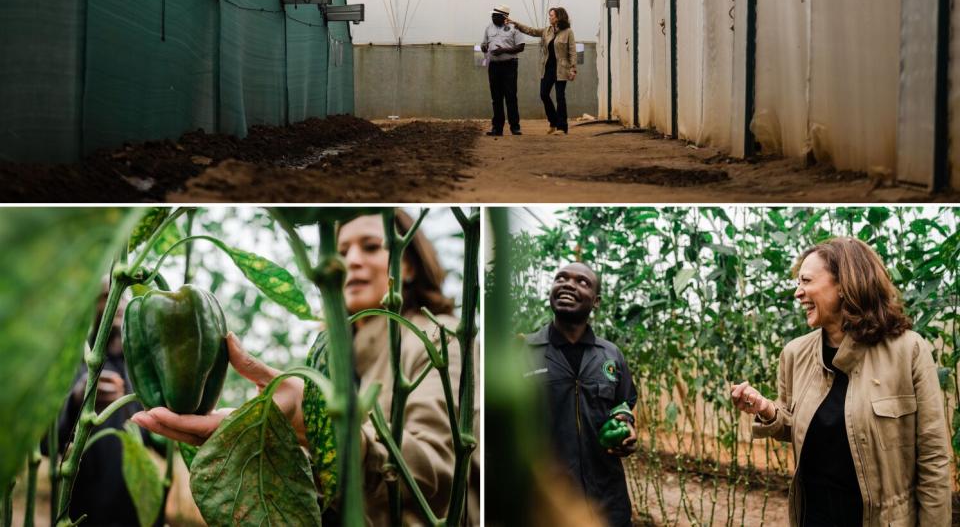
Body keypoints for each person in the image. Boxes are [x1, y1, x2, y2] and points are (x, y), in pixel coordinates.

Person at [132, 211, 478, 527]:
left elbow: (439, 470)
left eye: (371, 247)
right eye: (341, 251)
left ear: (408, 266)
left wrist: (316, 423)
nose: (352, 261)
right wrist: (267, 443)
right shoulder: (328, 358)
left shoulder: (438, 338)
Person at [730, 237, 952, 527]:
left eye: (806, 281)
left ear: (845, 285)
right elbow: (798, 426)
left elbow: (933, 460)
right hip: (814, 517)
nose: (798, 293)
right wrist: (766, 409)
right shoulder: (795, 354)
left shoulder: (908, 350)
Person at [522, 262, 637, 527]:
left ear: (596, 302)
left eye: (581, 282)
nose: (568, 284)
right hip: (547, 505)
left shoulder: (610, 356)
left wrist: (627, 427)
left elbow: (624, 402)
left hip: (607, 501)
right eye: (560, 278)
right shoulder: (523, 352)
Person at [53, 286, 166, 527]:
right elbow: (48, 443)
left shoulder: (142, 369)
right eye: (106, 295)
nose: (118, 300)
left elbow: (161, 443)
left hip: (137, 505)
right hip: (86, 508)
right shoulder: (73, 364)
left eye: (124, 294)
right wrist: (76, 400)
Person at [508, 7, 577, 134]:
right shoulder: (547, 31)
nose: (549, 17)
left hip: (562, 69)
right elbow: (532, 31)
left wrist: (573, 69)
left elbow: (572, 51)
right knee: (544, 94)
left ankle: (562, 127)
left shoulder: (568, 32)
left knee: (560, 97)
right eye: (549, 15)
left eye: (552, 15)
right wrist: (516, 24)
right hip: (548, 68)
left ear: (558, 17)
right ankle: (554, 121)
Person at [480, 5, 525, 136]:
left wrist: (503, 50)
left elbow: (521, 47)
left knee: (511, 96)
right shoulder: (489, 28)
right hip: (494, 66)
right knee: (496, 97)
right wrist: (484, 47)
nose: (492, 17)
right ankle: (497, 128)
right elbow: (484, 44)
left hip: (509, 65)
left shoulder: (514, 28)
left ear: (504, 16)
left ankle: (515, 126)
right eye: (492, 15)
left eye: (495, 15)